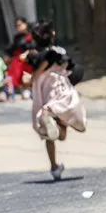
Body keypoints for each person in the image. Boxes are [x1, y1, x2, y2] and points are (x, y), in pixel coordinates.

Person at [27, 19, 86, 180]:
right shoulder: (58, 51)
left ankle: (54, 167)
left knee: (50, 135)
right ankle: (52, 115)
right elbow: (72, 68)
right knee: (68, 107)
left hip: (42, 89)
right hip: (58, 88)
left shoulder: (33, 55)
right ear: (52, 34)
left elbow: (32, 66)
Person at [5, 17, 34, 100]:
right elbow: (13, 48)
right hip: (17, 59)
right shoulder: (17, 37)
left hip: (27, 59)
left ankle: (28, 89)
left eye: (20, 25)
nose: (18, 27)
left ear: (26, 24)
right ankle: (20, 90)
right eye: (17, 25)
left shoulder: (31, 36)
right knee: (14, 74)